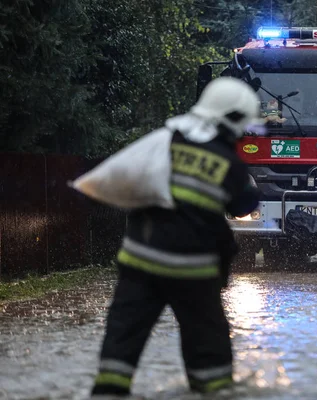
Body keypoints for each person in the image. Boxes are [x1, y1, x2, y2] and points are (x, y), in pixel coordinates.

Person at [90, 77, 262, 396]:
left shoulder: (166, 141)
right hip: (192, 270)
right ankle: (212, 388)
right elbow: (242, 205)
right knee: (208, 344)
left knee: (123, 335)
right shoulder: (230, 165)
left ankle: (109, 388)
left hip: (139, 262)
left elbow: (133, 182)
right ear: (236, 120)